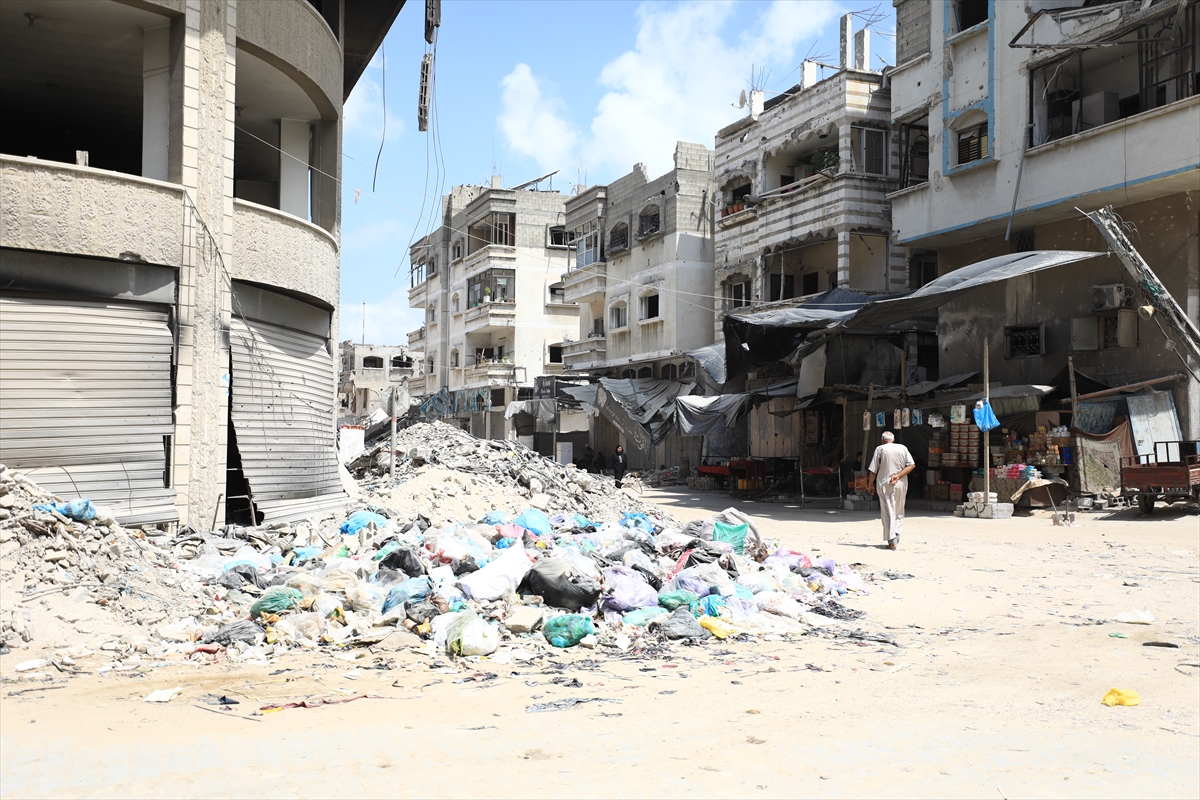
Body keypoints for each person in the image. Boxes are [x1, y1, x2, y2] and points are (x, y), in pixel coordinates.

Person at [866, 432, 915, 550]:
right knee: (899, 509)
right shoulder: (903, 448)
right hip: (900, 483)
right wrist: (898, 476)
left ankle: (892, 541)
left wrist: (870, 484)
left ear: (882, 440)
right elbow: (912, 465)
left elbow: (873, 470)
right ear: (893, 440)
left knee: (888, 510)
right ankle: (897, 535)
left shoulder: (880, 449)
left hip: (885, 483)